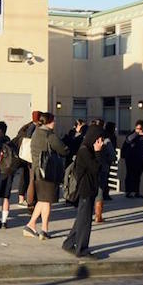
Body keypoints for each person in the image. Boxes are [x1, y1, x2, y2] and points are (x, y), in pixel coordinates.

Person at [23, 112, 69, 240]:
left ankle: (31, 225)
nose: (54, 123)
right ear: (48, 122)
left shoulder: (36, 133)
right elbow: (63, 150)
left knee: (43, 200)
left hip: (38, 171)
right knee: (47, 201)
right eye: (53, 121)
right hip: (49, 172)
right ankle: (44, 229)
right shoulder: (50, 135)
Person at [61, 125, 105, 259]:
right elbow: (96, 168)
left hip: (89, 188)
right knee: (85, 221)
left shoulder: (88, 149)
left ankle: (69, 243)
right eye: (99, 139)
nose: (101, 142)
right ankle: (82, 249)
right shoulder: (85, 151)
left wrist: (97, 151)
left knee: (82, 218)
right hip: (85, 189)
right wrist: (98, 152)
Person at [12, 111, 41, 208]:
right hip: (29, 156)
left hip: (23, 155)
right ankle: (28, 200)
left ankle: (21, 198)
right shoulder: (33, 127)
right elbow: (29, 140)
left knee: (24, 176)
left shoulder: (26, 126)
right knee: (30, 178)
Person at [121, 120, 143, 198]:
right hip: (131, 159)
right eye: (137, 128)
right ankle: (128, 192)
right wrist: (136, 133)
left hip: (140, 159)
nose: (139, 130)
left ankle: (136, 192)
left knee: (138, 176)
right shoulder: (131, 134)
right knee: (130, 175)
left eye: (141, 129)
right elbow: (128, 140)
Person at [95, 119, 116, 223]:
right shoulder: (106, 140)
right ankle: (98, 216)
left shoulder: (88, 138)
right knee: (100, 193)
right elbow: (112, 155)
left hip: (89, 169)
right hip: (102, 167)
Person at [102, 122, 117, 201]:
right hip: (107, 158)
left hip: (105, 158)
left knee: (105, 176)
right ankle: (105, 193)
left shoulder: (104, 134)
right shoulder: (111, 136)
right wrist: (113, 157)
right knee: (106, 176)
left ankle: (104, 193)